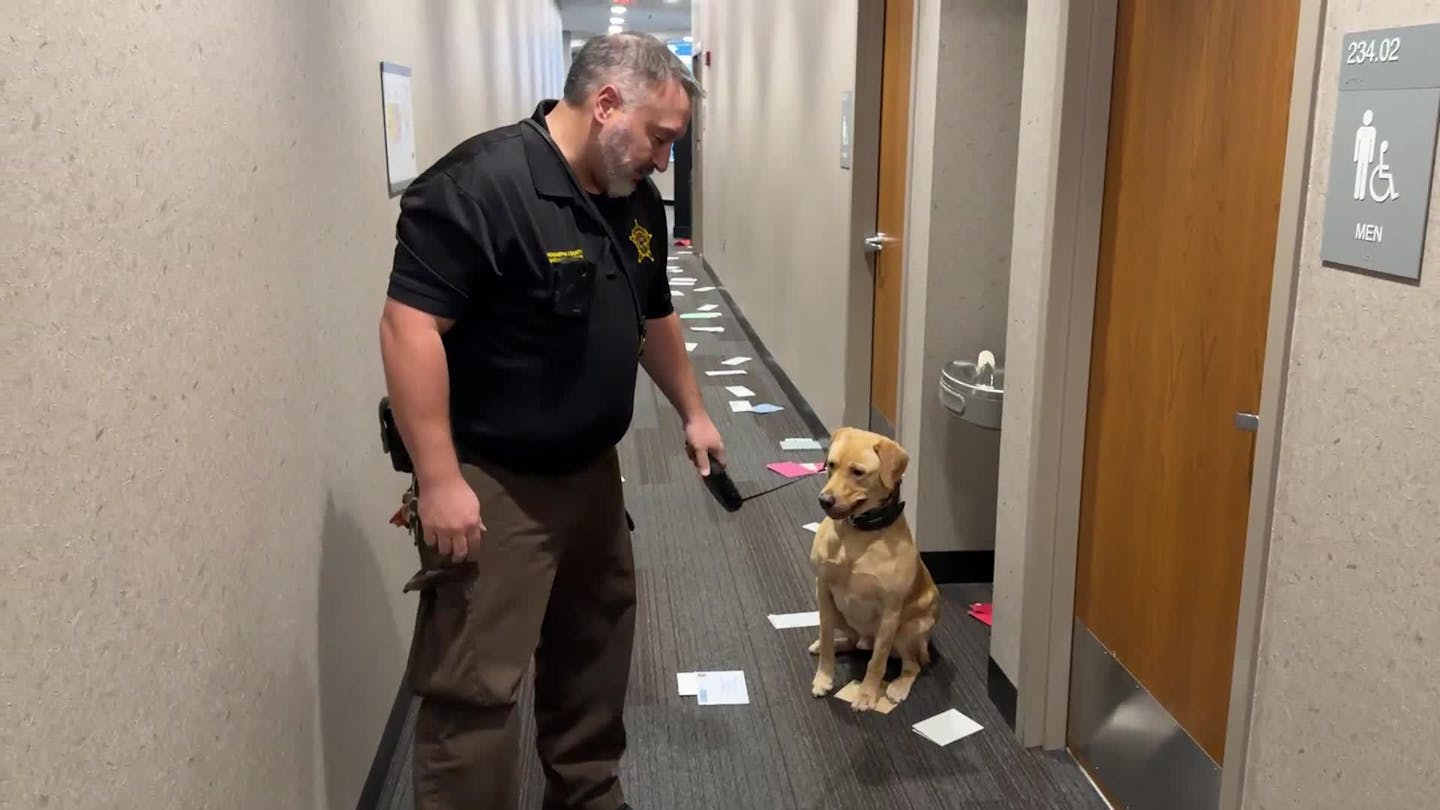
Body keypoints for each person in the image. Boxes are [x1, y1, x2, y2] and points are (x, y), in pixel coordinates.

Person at [378, 33, 724, 810]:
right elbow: (409, 329)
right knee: (477, 686)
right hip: (494, 480)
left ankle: (587, 798)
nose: (665, 162)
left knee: (594, 652)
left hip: (592, 472)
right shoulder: (480, 185)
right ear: (606, 106)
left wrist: (693, 411)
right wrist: (438, 479)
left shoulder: (632, 197)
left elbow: (653, 311)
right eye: (661, 139)